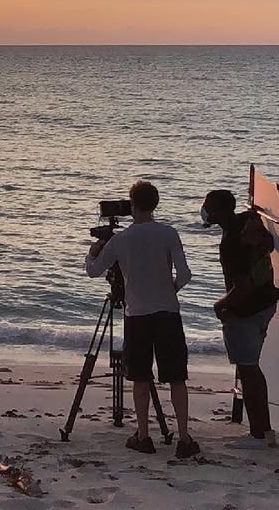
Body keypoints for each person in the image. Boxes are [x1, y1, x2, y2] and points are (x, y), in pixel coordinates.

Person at [86, 180, 199, 458]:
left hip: (137, 314)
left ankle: (143, 435)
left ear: (132, 204)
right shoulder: (169, 233)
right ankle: (184, 439)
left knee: (139, 377)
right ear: (156, 204)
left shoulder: (120, 239)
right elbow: (184, 274)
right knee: (176, 377)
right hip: (168, 313)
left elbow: (93, 271)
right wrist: (170, 289)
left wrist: (93, 250)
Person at [200, 189, 279, 448]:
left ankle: (259, 434)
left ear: (219, 212)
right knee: (253, 368)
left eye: (208, 206)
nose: (205, 210)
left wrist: (220, 305)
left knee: (248, 370)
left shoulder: (231, 243)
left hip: (246, 310)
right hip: (267, 303)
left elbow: (242, 287)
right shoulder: (249, 222)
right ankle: (264, 430)